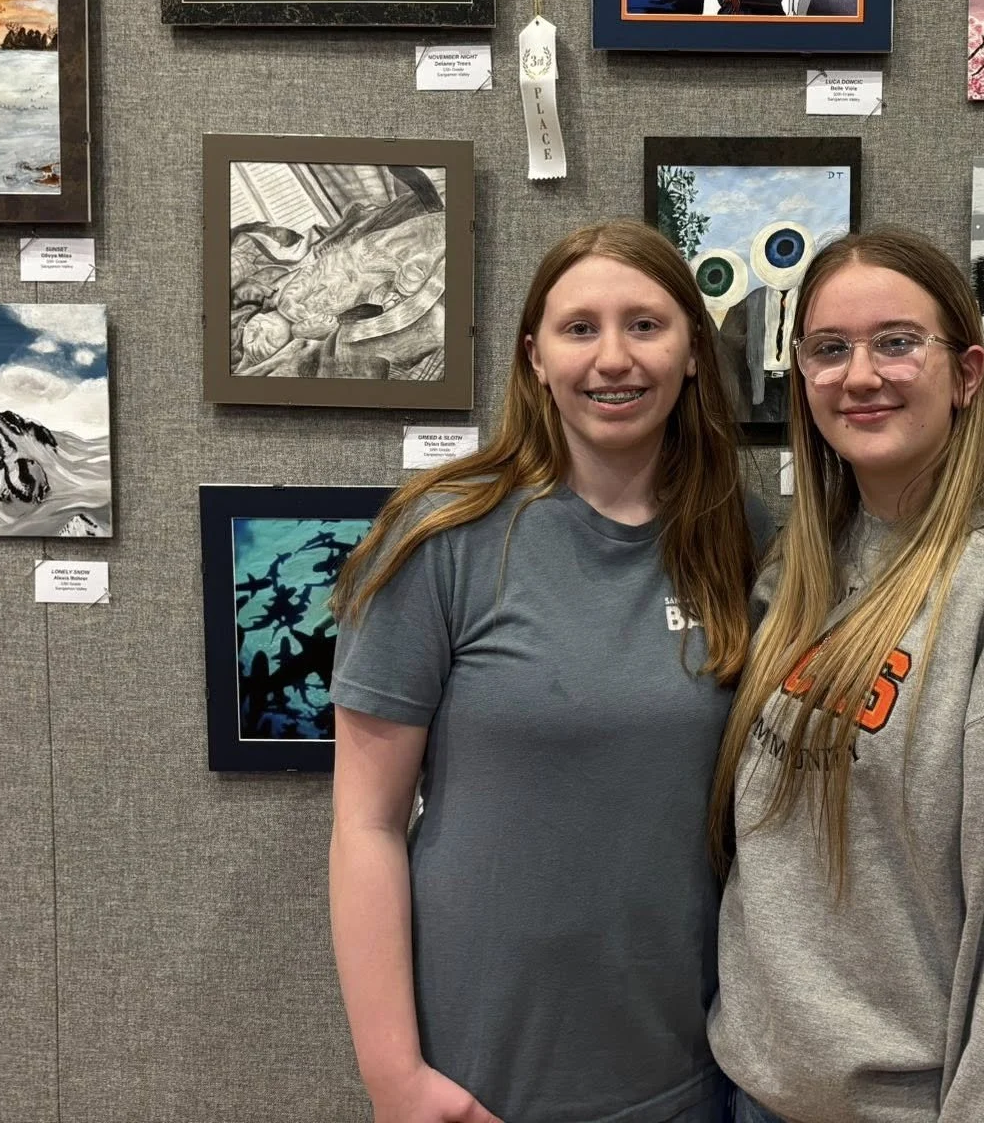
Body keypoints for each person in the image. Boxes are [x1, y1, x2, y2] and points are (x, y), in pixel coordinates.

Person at [708, 227, 984, 1123]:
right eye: (829, 350)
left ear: (967, 375)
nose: (860, 375)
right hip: (765, 1093)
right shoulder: (801, 571)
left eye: (897, 343)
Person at [327, 219, 766, 1123]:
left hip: (694, 1070)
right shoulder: (440, 539)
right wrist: (394, 1079)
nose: (614, 358)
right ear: (534, 356)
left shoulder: (755, 541)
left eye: (646, 325)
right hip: (481, 1076)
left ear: (692, 352)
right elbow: (363, 824)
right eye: (580, 328)